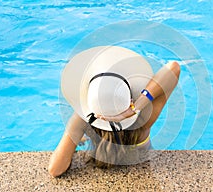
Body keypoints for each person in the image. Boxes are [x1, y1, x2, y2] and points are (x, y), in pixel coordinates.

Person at [48, 46, 180, 177]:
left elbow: (55, 170)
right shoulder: (143, 119)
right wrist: (136, 107)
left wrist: (74, 131)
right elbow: (173, 67)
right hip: (142, 164)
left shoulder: (83, 120)